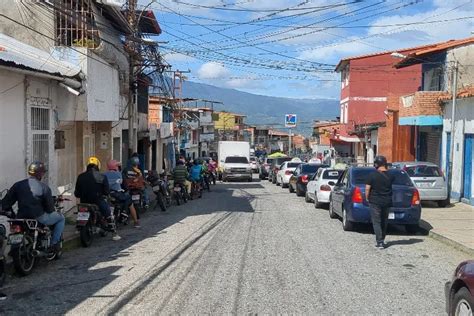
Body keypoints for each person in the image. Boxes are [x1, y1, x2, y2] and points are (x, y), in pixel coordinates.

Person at [1, 161, 65, 253]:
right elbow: (50, 209)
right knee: (61, 218)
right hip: (38, 217)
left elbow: (7, 202)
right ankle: (54, 244)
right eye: (43, 172)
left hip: (21, 217)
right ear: (40, 173)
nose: (43, 174)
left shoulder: (18, 185)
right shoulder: (44, 187)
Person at [75, 157, 120, 240]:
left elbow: (76, 193)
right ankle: (114, 233)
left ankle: (78, 228)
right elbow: (106, 192)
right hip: (97, 201)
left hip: (84, 202)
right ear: (97, 166)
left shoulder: (80, 176)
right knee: (108, 212)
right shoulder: (102, 176)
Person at [365, 155, 395, 249]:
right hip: (387, 201)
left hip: (375, 201)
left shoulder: (372, 175)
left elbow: (367, 189)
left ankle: (380, 242)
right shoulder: (391, 175)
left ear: (376, 164)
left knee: (376, 222)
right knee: (384, 221)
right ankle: (382, 239)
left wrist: (367, 198)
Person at [104, 160, 140, 228]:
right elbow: (123, 184)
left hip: (107, 195)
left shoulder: (104, 174)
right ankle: (135, 221)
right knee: (129, 200)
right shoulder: (119, 174)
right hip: (117, 194)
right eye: (117, 166)